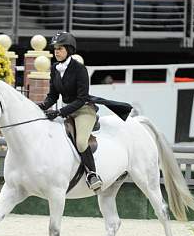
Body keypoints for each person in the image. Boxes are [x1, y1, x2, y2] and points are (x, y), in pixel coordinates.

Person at [37, 32, 132, 191]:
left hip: (83, 110)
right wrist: (41, 107)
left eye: (60, 49)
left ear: (69, 49)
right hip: (68, 111)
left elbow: (81, 99)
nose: (56, 52)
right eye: (55, 49)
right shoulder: (54, 68)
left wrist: (59, 112)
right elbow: (53, 95)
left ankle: (92, 174)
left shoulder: (80, 69)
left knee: (81, 142)